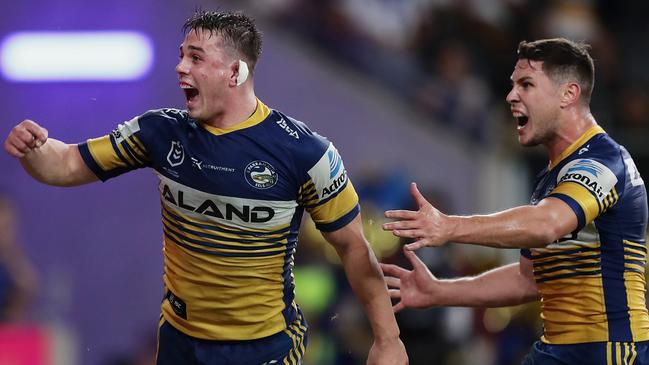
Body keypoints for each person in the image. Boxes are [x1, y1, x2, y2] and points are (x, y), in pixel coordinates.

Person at [3, 10, 407, 365]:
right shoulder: (160, 131)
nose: (180, 67)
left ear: (236, 73)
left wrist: (388, 340)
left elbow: (355, 248)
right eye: (181, 55)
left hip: (264, 350)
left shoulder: (306, 154)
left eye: (196, 58)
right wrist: (35, 151)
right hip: (180, 342)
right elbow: (68, 163)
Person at [381, 38, 648, 364]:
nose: (511, 96)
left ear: (569, 94)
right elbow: (528, 278)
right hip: (556, 351)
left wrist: (449, 226)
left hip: (609, 353)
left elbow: (546, 224)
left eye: (527, 84)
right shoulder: (553, 177)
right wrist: (439, 291)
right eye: (512, 85)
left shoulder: (605, 162)